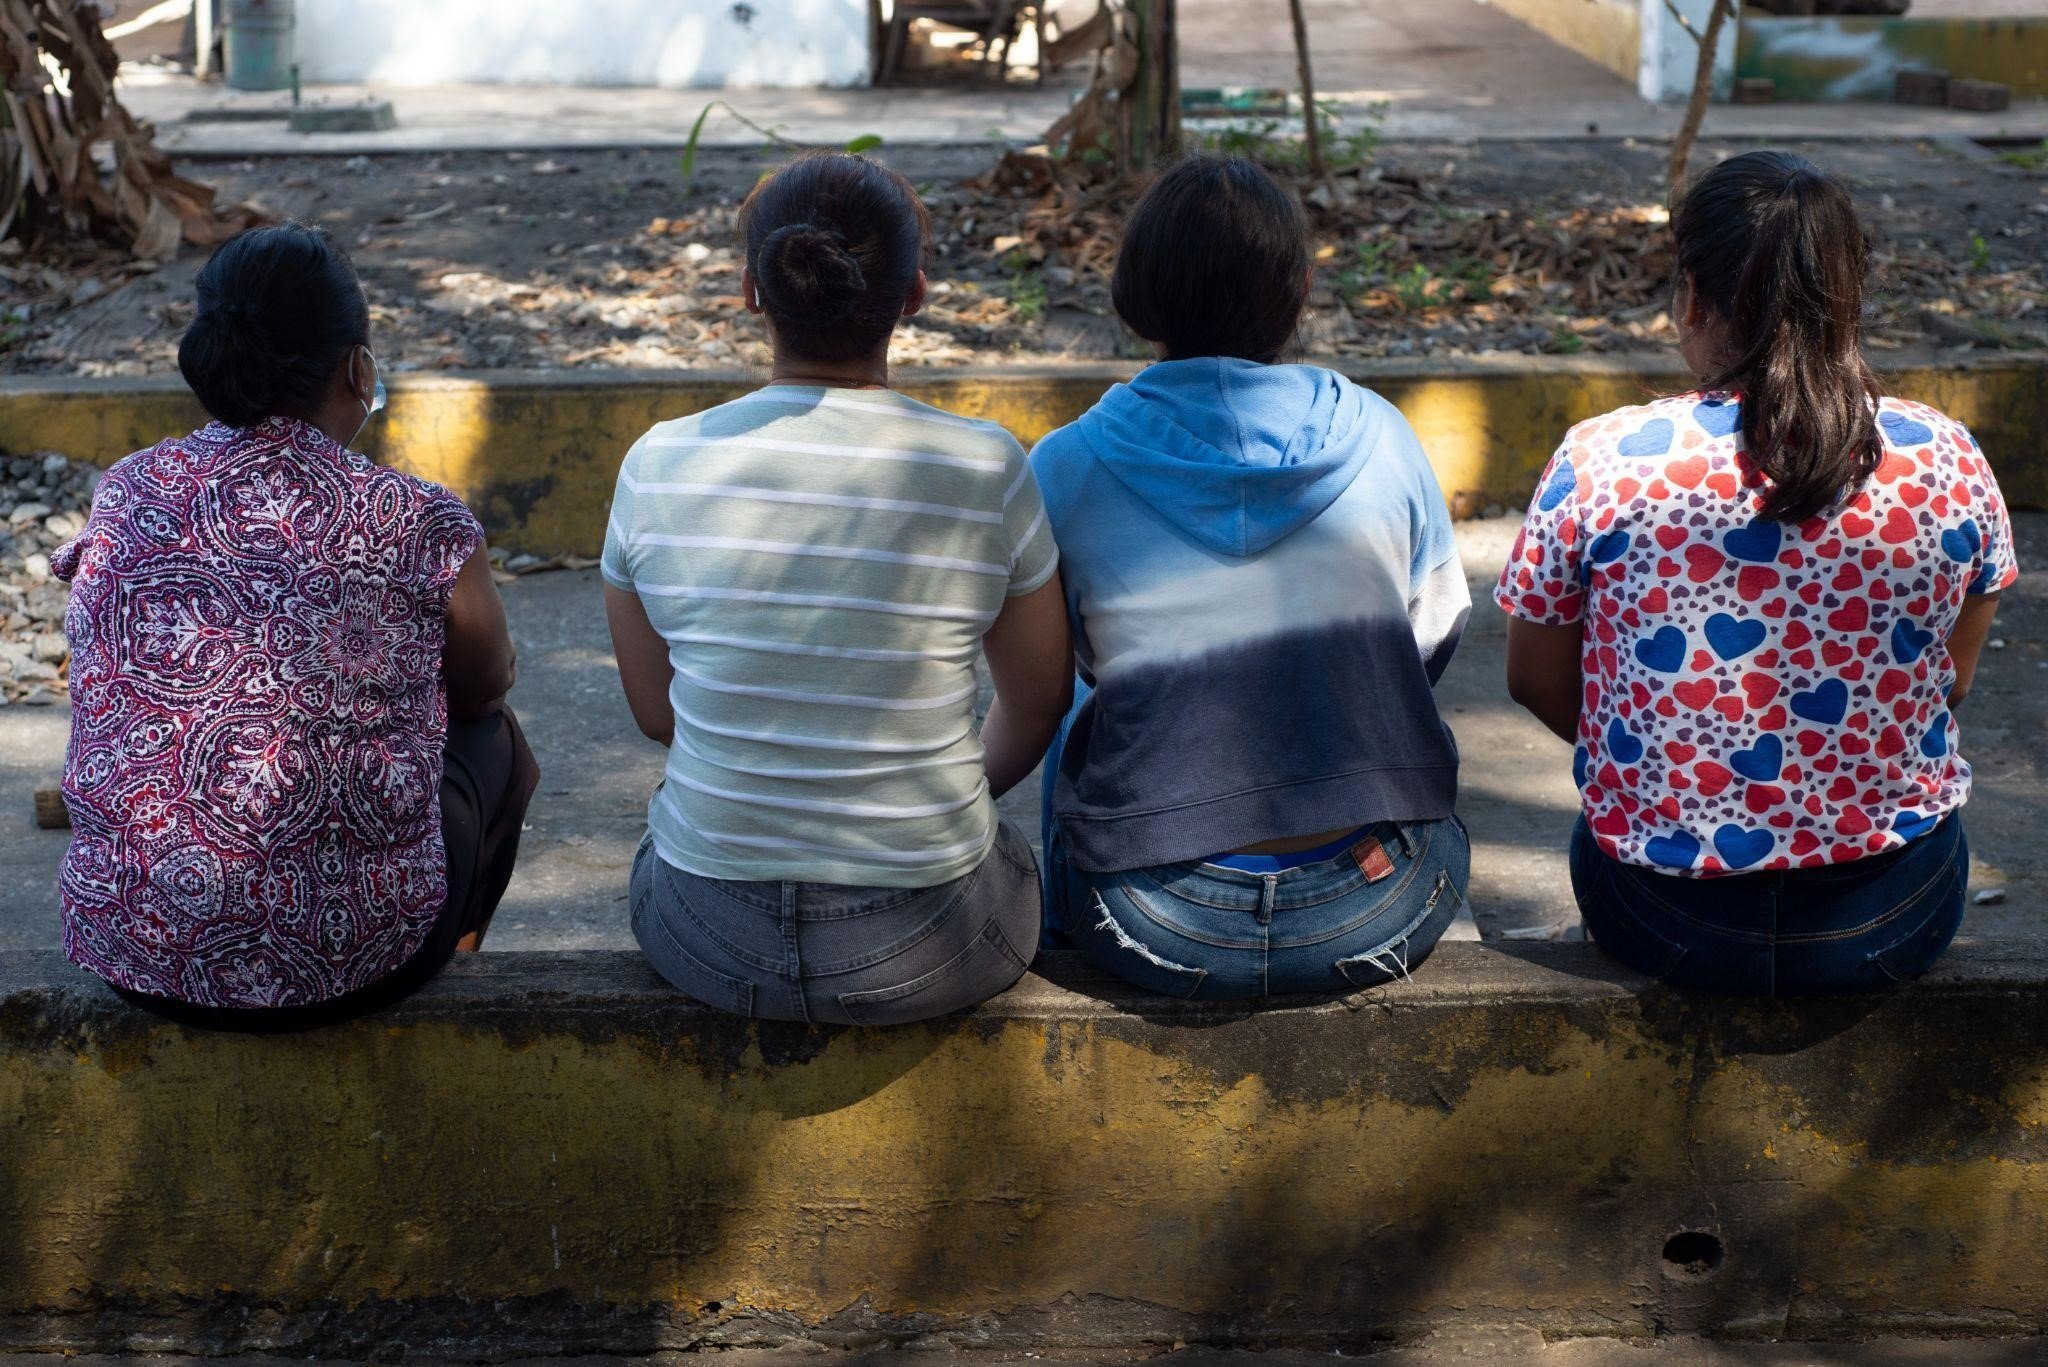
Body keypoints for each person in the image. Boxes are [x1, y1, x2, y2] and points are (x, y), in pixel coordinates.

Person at [1498, 150, 2016, 996]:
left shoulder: (1602, 458)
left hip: (1666, 916)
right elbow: (1945, 680)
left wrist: (1666, 757)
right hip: (1892, 914)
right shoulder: (1947, 456)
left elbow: (1533, 678)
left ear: (1693, 297)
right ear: (1850, 296)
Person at [603, 152, 1072, 1026]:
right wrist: (945, 801)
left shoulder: (657, 465)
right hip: (931, 939)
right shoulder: (985, 467)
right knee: (1016, 857)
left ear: (751, 291)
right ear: (915, 295)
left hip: (708, 932)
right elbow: (1040, 700)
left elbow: (661, 714)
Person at [51, 222, 537, 1031]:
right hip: (359, 964)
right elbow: (486, 683)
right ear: (358, 367)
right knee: (496, 744)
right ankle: (449, 956)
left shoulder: (128, 488)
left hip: (133, 950)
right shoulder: (415, 517)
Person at [1031, 154, 1472, 1000]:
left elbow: (1062, 666)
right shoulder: (1381, 431)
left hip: (1149, 920)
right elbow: (1432, 637)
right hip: (1376, 907)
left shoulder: (1066, 463)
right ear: (1300, 288)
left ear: (1135, 291)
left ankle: (1061, 933)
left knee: (1080, 702)